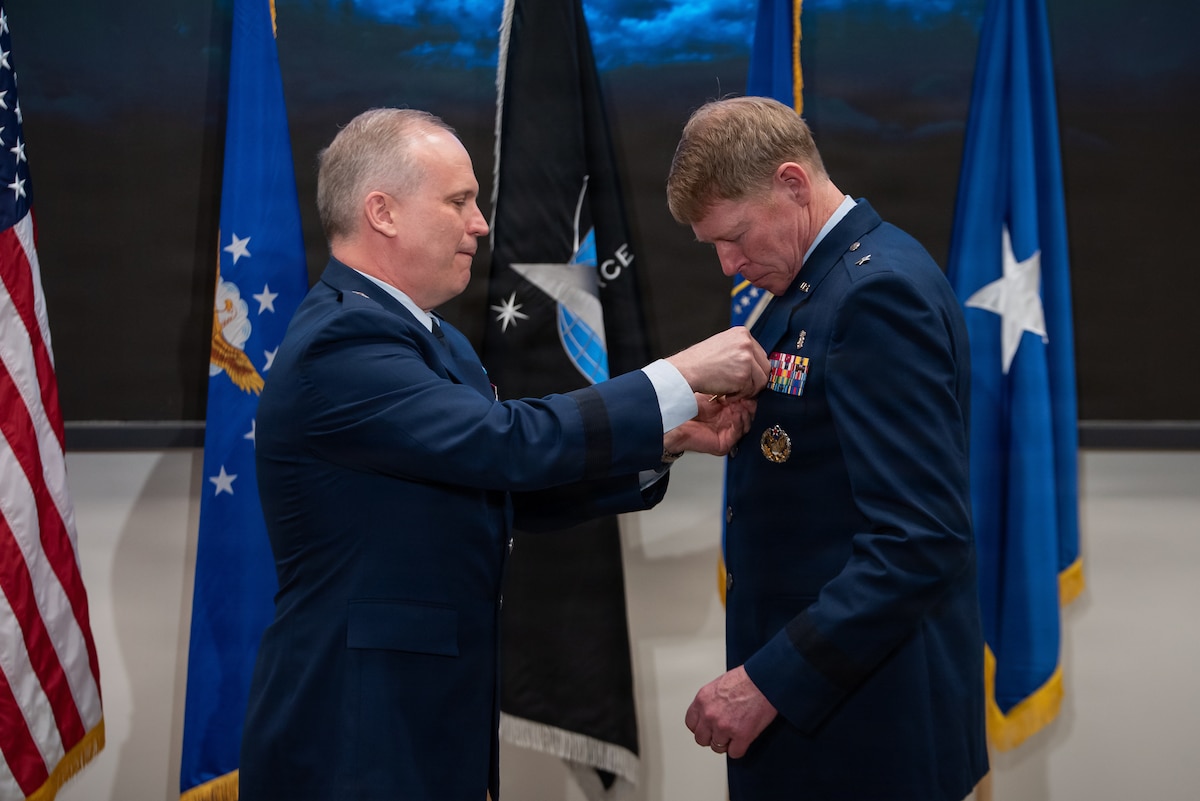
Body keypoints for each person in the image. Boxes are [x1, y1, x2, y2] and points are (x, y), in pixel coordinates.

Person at [237, 107, 768, 801]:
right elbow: (505, 442)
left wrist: (662, 440)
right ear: (383, 211)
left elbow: (496, 481)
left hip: (429, 722)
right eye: (458, 201)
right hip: (356, 732)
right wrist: (675, 376)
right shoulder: (344, 344)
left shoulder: (437, 342)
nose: (480, 223)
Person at [667, 96, 987, 800]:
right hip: (827, 704)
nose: (728, 264)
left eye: (736, 235)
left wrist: (768, 680)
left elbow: (920, 538)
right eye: (714, 246)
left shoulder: (876, 293)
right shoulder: (821, 280)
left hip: (862, 720)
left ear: (791, 183)